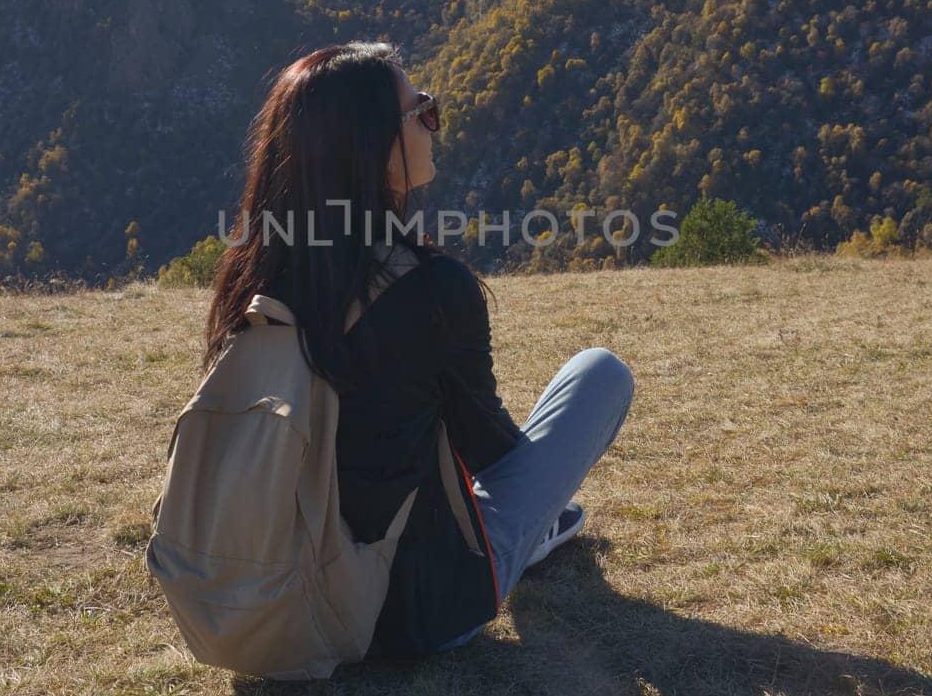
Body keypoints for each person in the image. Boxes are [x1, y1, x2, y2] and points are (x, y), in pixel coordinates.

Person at [203, 41, 635, 660]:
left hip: (265, 606)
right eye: (423, 112)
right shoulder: (431, 288)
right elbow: (490, 451)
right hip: (408, 617)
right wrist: (536, 497)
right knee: (600, 373)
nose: (436, 124)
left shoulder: (251, 279)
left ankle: (535, 524)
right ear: (373, 142)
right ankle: (536, 527)